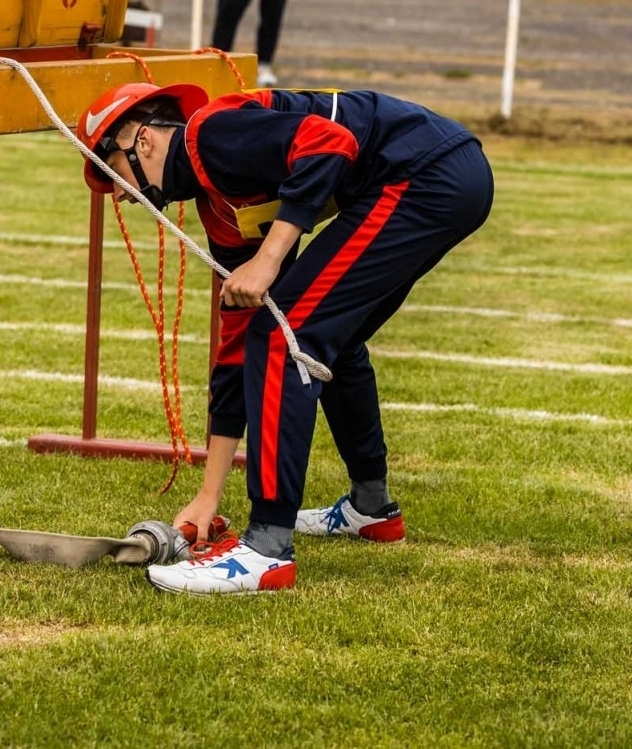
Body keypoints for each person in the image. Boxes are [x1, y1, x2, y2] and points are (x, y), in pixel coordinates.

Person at [77, 81, 494, 594]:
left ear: (141, 141)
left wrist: (269, 258)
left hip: (426, 175)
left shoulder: (208, 135)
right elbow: (234, 345)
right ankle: (372, 509)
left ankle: (265, 551)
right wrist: (209, 496)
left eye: (110, 172)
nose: (118, 193)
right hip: (445, 176)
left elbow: (328, 142)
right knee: (322, 340)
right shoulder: (217, 205)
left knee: (284, 335)